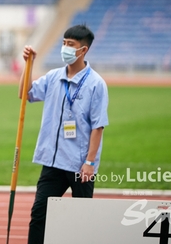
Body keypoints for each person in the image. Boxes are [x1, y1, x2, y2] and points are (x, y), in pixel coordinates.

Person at [18, 24, 108, 244]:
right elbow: (24, 93)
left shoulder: (96, 84)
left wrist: (89, 162)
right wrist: (28, 66)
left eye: (71, 44)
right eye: (64, 43)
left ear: (83, 50)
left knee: (81, 219)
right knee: (39, 214)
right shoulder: (53, 77)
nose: (65, 48)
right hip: (52, 162)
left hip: (80, 165)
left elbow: (98, 126)